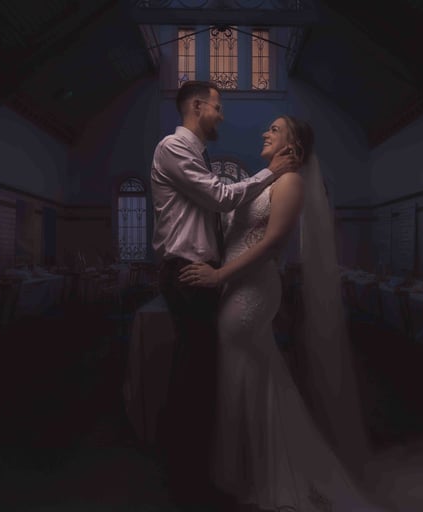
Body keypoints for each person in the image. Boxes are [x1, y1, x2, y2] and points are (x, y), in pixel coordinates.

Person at [179, 116, 385, 511]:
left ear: (294, 145)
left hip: (252, 291)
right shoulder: (268, 176)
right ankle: (250, 468)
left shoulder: (290, 182)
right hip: (236, 286)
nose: (264, 133)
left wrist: (219, 274)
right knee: (254, 374)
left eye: (274, 130)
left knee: (244, 371)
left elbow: (273, 242)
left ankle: (255, 471)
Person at [150, 81, 299, 509]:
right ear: (197, 107)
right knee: (195, 376)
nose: (222, 114)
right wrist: (272, 171)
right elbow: (219, 198)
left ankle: (196, 469)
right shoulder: (173, 147)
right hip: (188, 272)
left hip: (206, 274)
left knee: (198, 374)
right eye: (217, 107)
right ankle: (188, 481)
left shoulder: (197, 154)